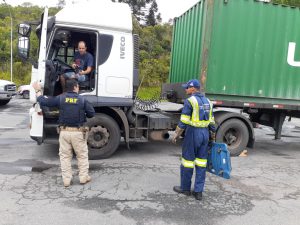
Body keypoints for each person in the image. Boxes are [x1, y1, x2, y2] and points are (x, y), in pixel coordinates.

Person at [32, 79, 95, 187]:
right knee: (82, 155)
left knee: (65, 156)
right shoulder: (82, 100)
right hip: (78, 133)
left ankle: (66, 180)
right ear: (75, 87)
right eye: (78, 86)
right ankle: (83, 177)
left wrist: (38, 90)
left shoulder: (60, 98)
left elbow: (44, 101)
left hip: (64, 132)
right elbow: (91, 114)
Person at [172, 79, 216, 200]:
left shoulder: (190, 101)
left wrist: (176, 134)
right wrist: (212, 135)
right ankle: (198, 192)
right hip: (205, 134)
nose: (185, 89)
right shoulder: (209, 102)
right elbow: (212, 122)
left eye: (187, 87)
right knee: (201, 162)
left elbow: (184, 121)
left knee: (188, 161)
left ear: (193, 89)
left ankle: (185, 189)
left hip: (193, 133)